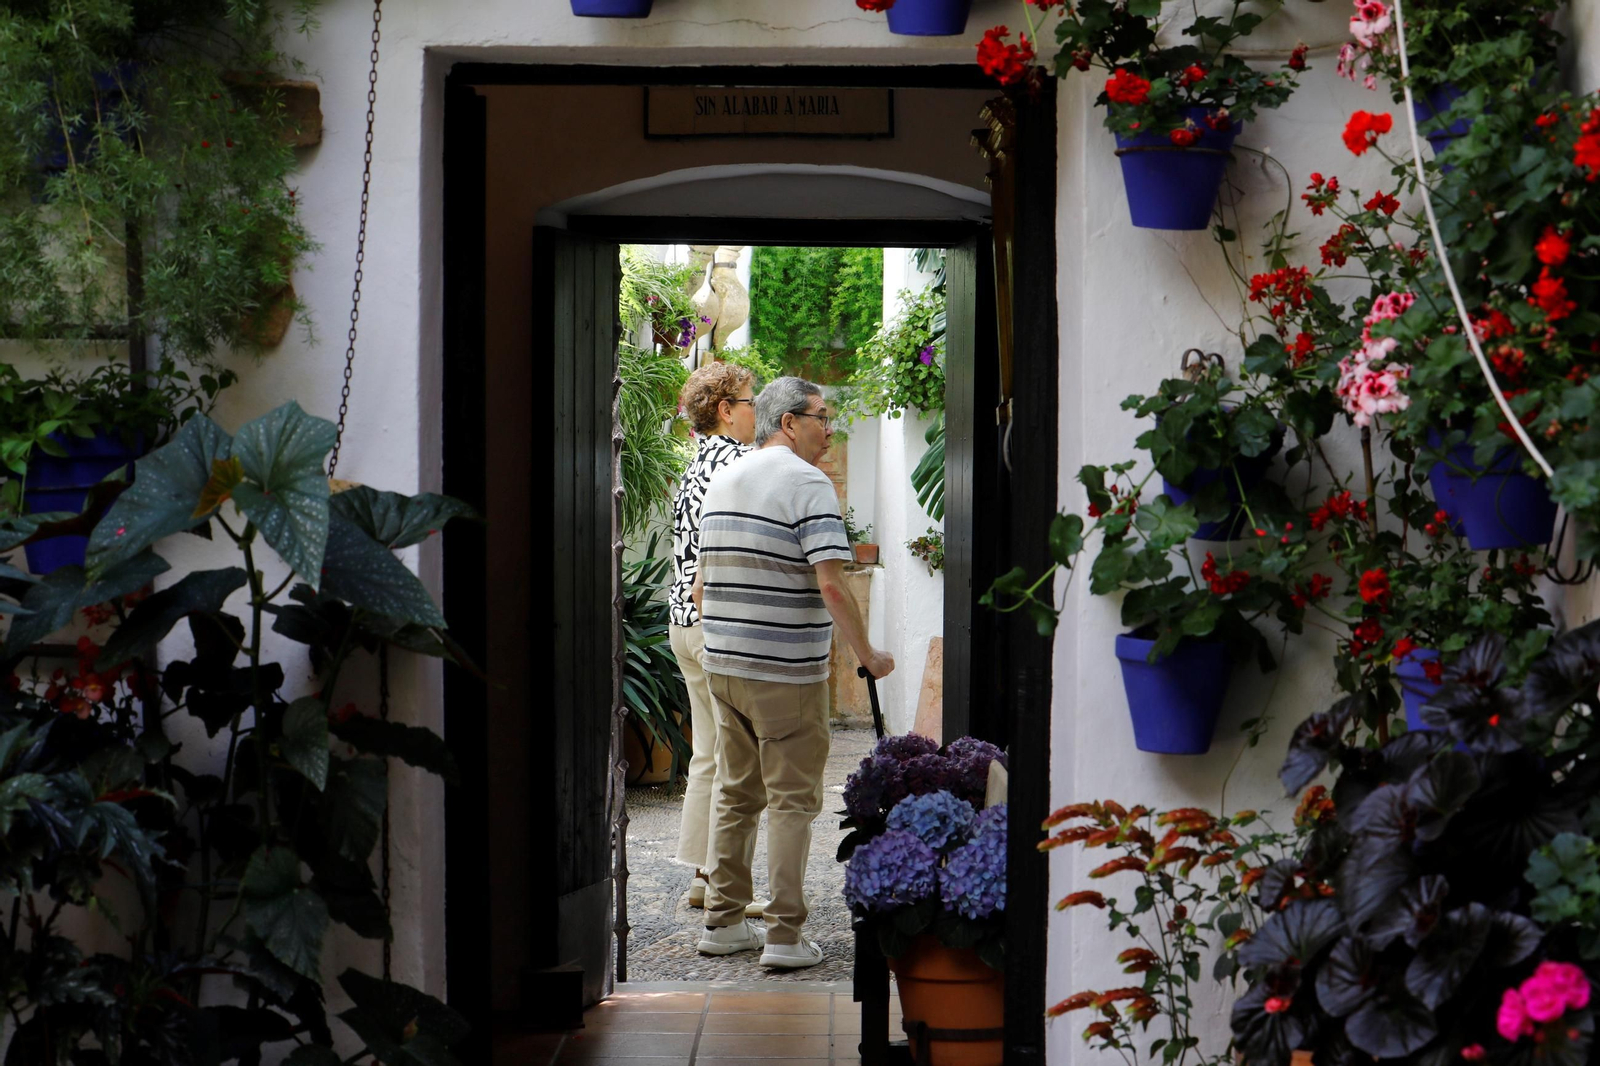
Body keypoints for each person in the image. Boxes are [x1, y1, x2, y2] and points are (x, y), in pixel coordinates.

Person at [691, 376, 895, 969]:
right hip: (783, 672)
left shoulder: (725, 478)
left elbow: (702, 586)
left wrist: (730, 642)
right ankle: (783, 935)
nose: (829, 429)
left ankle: (724, 922)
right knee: (791, 802)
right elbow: (832, 583)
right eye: (821, 417)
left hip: (723, 665)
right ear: (789, 422)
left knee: (736, 793)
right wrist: (869, 656)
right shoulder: (808, 483)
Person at [667, 362, 758, 913]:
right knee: (740, 762)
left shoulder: (697, 462)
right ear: (726, 410)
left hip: (683, 624)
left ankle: (702, 877)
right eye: (750, 402)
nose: (756, 412)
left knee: (710, 754)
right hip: (718, 625)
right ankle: (725, 886)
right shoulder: (742, 464)